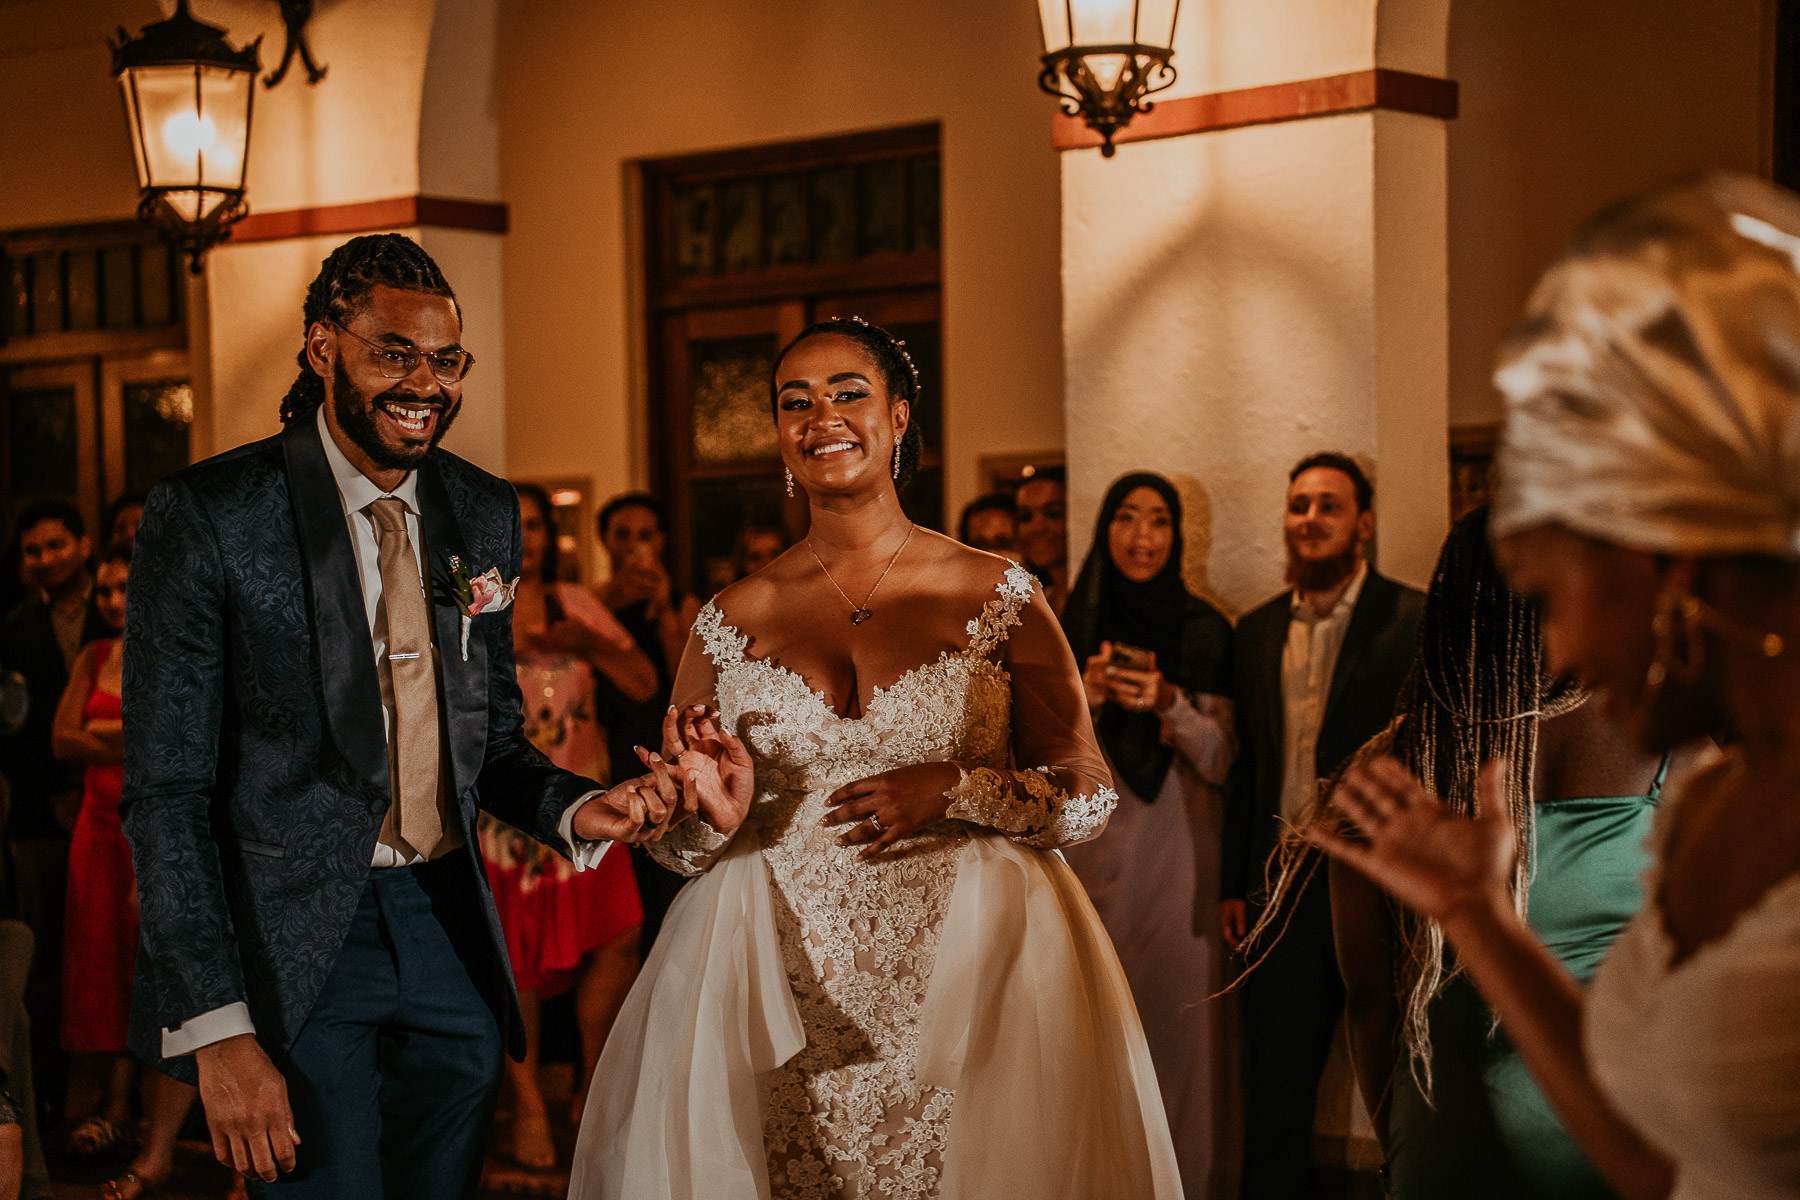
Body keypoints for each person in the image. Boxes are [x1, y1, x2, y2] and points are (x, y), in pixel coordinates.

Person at [568, 316, 1181, 1199]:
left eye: (849, 393)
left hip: (972, 967)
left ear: (898, 419)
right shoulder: (731, 615)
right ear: (781, 437)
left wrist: (958, 788)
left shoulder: (997, 592)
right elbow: (682, 845)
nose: (823, 416)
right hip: (775, 976)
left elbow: (1087, 796)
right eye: (796, 402)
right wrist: (708, 817)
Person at [122, 234, 646, 1197]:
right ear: (323, 347)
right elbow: (165, 793)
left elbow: (487, 743)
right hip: (295, 942)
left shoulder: (483, 510)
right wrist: (217, 1031)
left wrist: (579, 809)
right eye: (394, 352)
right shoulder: (213, 514)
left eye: (446, 360)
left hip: (448, 923)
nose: (425, 383)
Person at [1309, 173, 1800, 1200]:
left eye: (1556, 592)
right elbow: (1654, 1161)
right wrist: (1478, 919)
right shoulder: (1711, 806)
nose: (1561, 654)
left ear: (1666, 561)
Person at [1295, 509, 1670, 1199]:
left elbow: (1371, 999)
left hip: (1447, 1117)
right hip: (1618, 1112)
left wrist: (1400, 1145)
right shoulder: (1664, 737)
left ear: (1453, 612)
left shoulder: (1388, 770)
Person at [1221, 452, 1424, 1200]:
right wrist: (1234, 883)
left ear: (1363, 524)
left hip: (1379, 886)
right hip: (1275, 892)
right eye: (1299, 505)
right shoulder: (1255, 630)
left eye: (1328, 506)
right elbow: (1247, 768)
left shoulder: (1412, 617)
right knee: (1274, 1096)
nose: (1309, 520)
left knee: (1404, 1082)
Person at [1061, 472, 1238, 1198]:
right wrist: (1088, 698)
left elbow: (1225, 760)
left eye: (1158, 521)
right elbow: (1032, 763)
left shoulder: (1206, 631)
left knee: (1181, 1040)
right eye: (1126, 518)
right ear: (1104, 529)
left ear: (1178, 536)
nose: (1141, 537)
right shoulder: (1066, 628)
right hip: (1087, 859)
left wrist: (1171, 704)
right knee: (1089, 1038)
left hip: (1178, 862)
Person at [479, 482, 655, 1170]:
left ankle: (590, 1085)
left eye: (538, 526)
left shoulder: (577, 601)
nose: (532, 537)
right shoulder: (479, 599)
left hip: (586, 800)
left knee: (620, 931)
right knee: (514, 955)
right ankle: (525, 1102)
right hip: (509, 811)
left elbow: (642, 681)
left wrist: (586, 639)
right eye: (515, 525)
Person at [52, 545, 228, 1198]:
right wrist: (126, 738)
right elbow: (60, 737)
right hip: (101, 827)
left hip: (164, 828)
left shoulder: (185, 650)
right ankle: (125, 1118)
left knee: (173, 976)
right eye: (105, 592)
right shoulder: (94, 657)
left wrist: (110, 740)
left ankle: (204, 1137)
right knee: (106, 965)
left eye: (125, 587)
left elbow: (185, 743)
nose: (114, 601)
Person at [0, 499, 108, 1128]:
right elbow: (10, 729)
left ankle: (109, 1098)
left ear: (84, 545)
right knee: (44, 959)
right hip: (41, 819)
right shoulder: (12, 628)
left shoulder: (122, 604)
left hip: (112, 808)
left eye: (55, 546)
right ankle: (45, 1097)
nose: (44, 560)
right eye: (32, 551)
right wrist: (49, 797)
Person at [593, 492, 701, 954]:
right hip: (609, 749)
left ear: (659, 541)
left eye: (644, 535)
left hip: (663, 751)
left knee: (665, 885)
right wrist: (608, 604)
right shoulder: (591, 602)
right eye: (623, 535)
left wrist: (663, 610)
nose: (634, 546)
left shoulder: (683, 601)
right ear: (606, 542)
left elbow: (690, 686)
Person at [1015, 467, 1069, 614]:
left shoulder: (1098, 595)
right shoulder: (1037, 597)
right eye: (1026, 517)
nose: (1037, 528)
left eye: (1053, 514)